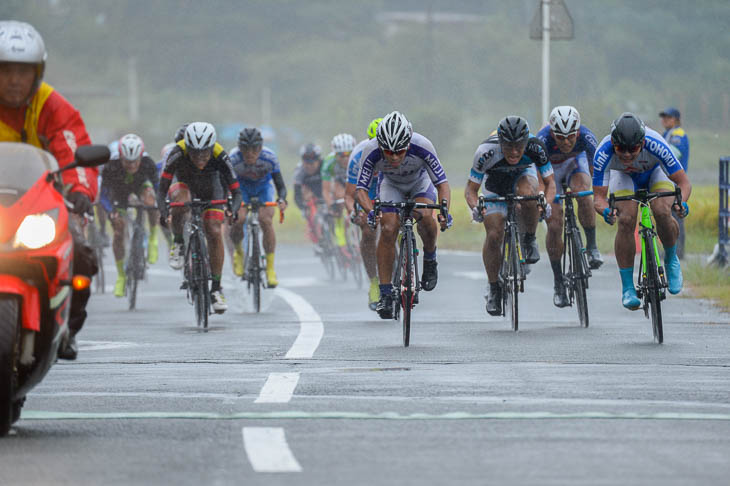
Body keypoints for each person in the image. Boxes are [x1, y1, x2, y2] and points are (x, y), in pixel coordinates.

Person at [0, 21, 100, 360]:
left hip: (38, 204)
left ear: (37, 74)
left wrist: (80, 190)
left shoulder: (51, 106)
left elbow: (73, 148)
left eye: (23, 72)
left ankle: (67, 329)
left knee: (82, 252)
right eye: (5, 71)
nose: (14, 80)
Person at [355, 111, 452, 319]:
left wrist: (444, 211)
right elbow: (360, 190)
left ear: (408, 143)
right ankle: (386, 293)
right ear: (380, 146)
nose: (395, 157)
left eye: (400, 151)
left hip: (420, 182)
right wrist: (371, 212)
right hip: (391, 184)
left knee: (426, 217)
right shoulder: (370, 150)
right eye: (388, 152)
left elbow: (442, 184)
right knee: (388, 229)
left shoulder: (422, 145)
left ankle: (430, 258)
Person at [592, 112, 691, 309]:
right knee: (627, 219)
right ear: (613, 143)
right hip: (623, 177)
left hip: (655, 173)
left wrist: (682, 203)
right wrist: (606, 212)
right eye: (621, 149)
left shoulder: (656, 143)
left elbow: (683, 182)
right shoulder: (603, 152)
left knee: (662, 210)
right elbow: (599, 198)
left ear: (643, 143)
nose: (627, 155)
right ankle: (628, 287)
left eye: (633, 149)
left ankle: (671, 259)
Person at [465, 116, 556, 316]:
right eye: (509, 147)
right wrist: (476, 207)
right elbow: (471, 190)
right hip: (494, 185)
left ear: (525, 143)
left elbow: (550, 183)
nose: (514, 152)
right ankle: (494, 288)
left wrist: (546, 203)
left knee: (530, 194)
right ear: (501, 143)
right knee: (494, 233)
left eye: (519, 146)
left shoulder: (536, 147)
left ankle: (529, 239)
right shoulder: (485, 151)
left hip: (522, 177)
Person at [157, 122, 242, 313]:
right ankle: (178, 242)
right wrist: (164, 211)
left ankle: (216, 289)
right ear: (187, 146)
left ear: (212, 147)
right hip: (185, 184)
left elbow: (236, 192)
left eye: (205, 153)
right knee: (181, 200)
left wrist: (232, 210)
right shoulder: (177, 153)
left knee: (213, 229)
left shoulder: (220, 154)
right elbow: (162, 190)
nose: (200, 158)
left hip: (211, 186)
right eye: (194, 153)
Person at [536, 106, 602, 308]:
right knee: (554, 225)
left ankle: (591, 246)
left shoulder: (587, 137)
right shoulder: (542, 140)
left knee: (583, 191)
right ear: (552, 133)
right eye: (560, 138)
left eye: (570, 138)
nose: (566, 142)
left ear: (578, 132)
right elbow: (540, 180)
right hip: (550, 172)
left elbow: (597, 171)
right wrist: (543, 200)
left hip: (575, 164)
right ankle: (558, 282)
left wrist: (598, 194)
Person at [100, 133, 160, 297]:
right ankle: (121, 276)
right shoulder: (111, 166)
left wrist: (157, 204)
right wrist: (111, 211)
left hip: (141, 186)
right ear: (120, 157)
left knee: (151, 200)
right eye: (127, 161)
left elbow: (158, 187)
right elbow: (103, 195)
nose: (132, 165)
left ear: (141, 157)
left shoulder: (148, 164)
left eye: (135, 161)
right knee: (119, 230)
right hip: (119, 194)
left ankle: (153, 237)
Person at [228, 127, 287, 286]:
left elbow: (280, 184)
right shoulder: (232, 159)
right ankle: (239, 252)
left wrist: (282, 199)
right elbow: (226, 184)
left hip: (263, 189)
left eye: (254, 148)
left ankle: (270, 268)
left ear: (261, 147)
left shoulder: (270, 157)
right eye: (245, 149)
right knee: (238, 219)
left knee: (265, 220)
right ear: (240, 148)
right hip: (241, 189)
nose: (250, 153)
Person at [345, 118, 382, 310]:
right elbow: (350, 195)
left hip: (390, 186)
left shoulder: (397, 153)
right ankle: (374, 282)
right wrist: (354, 212)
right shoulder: (358, 155)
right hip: (366, 191)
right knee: (368, 231)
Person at [659, 107, 690, 259]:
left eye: (668, 117)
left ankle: (678, 251)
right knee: (669, 214)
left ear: (676, 119)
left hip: (676, 180)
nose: (665, 120)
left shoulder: (678, 134)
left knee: (676, 214)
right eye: (663, 117)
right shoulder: (667, 133)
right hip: (667, 179)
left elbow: (673, 154)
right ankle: (671, 249)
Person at [321, 133, 357, 257]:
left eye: (348, 154)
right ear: (335, 154)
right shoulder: (329, 162)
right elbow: (325, 190)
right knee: (339, 199)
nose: (345, 159)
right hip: (339, 182)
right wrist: (331, 205)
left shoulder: (359, 157)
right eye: (341, 155)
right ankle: (341, 242)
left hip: (354, 181)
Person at [293, 142, 325, 244]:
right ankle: (317, 238)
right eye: (306, 163)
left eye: (312, 163)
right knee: (310, 212)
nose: (309, 166)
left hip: (325, 191)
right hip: (311, 195)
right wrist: (303, 208)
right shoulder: (299, 171)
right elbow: (297, 194)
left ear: (319, 160)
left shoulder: (325, 166)